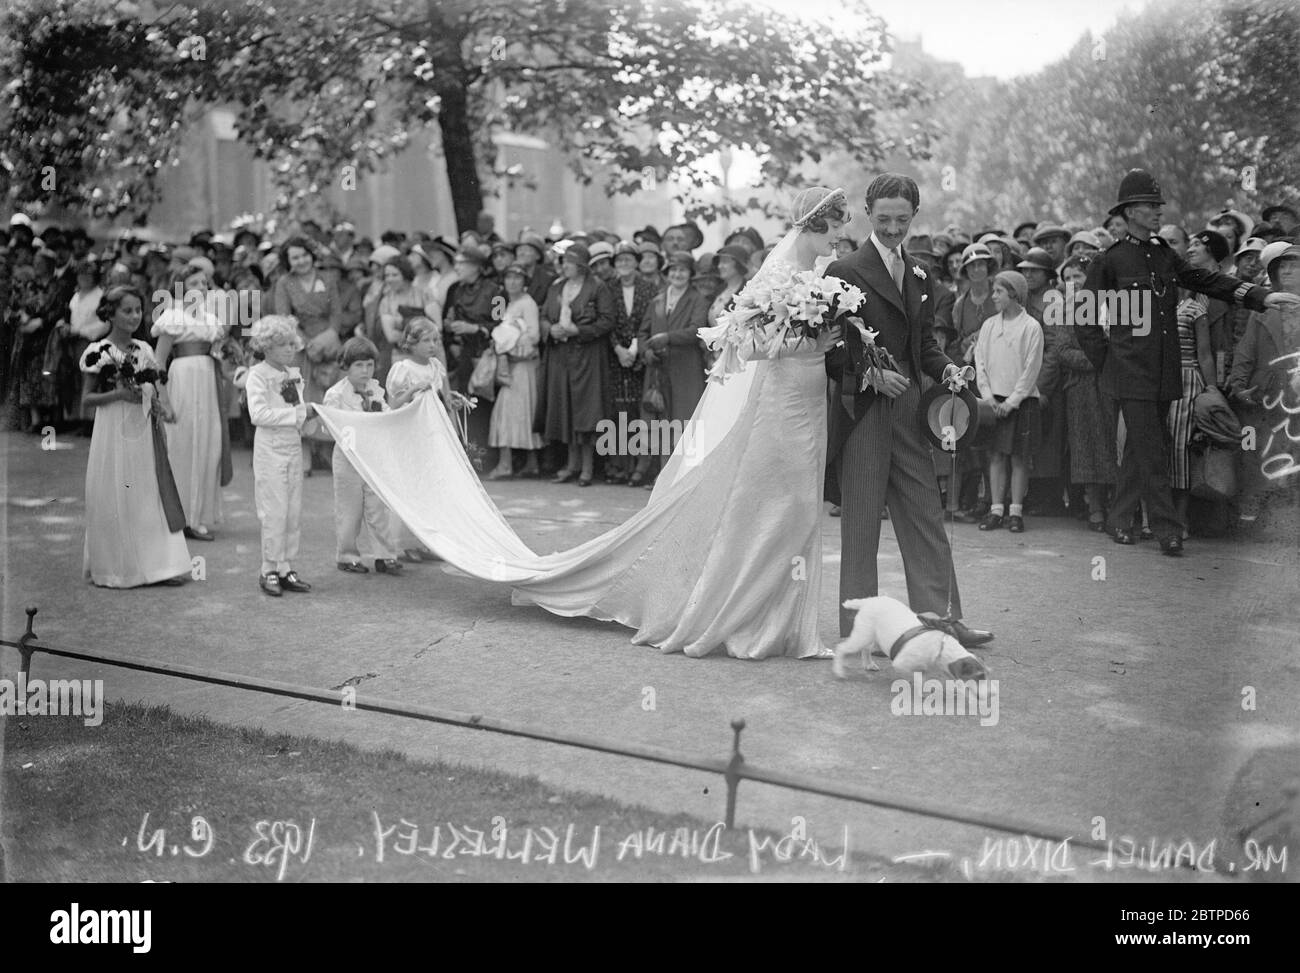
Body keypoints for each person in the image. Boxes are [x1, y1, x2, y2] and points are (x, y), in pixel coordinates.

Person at [315, 187, 870, 660]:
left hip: (804, 402)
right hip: (779, 404)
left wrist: (825, 338)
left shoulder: (819, 276)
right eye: (837, 231)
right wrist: (809, 340)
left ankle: (785, 625)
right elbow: (744, 343)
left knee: (798, 507)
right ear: (817, 225)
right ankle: (746, 620)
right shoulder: (780, 274)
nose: (841, 242)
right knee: (773, 506)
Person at [1075, 168, 1298, 555]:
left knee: (1140, 448)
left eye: (1159, 205)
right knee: (1154, 448)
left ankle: (1119, 518)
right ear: (1129, 211)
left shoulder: (1163, 255)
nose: (1159, 211)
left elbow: (1207, 281)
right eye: (1150, 205)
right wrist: (1108, 363)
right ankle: (1167, 528)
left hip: (1164, 372)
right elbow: (1084, 318)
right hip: (1129, 373)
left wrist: (1260, 296)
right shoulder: (1110, 260)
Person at [824, 174, 993, 647]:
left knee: (926, 515)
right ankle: (860, 630)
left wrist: (950, 373)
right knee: (860, 525)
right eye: (884, 219)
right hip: (863, 412)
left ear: (914, 215)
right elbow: (830, 350)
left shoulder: (920, 273)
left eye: (902, 219)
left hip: (913, 408)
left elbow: (923, 346)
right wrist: (869, 374)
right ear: (868, 214)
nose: (894, 228)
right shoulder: (843, 270)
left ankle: (943, 619)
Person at [79, 286, 191, 588]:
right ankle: (119, 568)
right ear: (110, 313)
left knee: (148, 493)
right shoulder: (97, 352)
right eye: (126, 310)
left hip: (142, 429)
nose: (134, 316)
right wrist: (118, 394)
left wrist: (160, 407)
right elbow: (86, 400)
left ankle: (158, 566)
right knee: (117, 492)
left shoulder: (144, 348)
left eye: (138, 310)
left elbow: (153, 387)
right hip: (113, 431)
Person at [152, 261, 230, 541]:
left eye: (205, 284)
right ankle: (178, 514)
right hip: (183, 380)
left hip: (207, 382)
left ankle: (198, 516)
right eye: (194, 284)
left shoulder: (210, 320)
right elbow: (158, 361)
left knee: (208, 443)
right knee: (182, 444)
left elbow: (218, 352)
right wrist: (164, 399)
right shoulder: (172, 316)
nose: (201, 289)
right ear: (181, 287)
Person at [245, 315, 317, 597]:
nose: (290, 349)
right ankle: (268, 568)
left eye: (292, 343)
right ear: (266, 347)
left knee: (292, 509)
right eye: (282, 345)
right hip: (269, 447)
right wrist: (299, 413)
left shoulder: (293, 374)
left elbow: (300, 411)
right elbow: (258, 414)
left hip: (292, 444)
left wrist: (309, 418)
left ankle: (286, 565)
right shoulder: (258, 374)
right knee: (274, 509)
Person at [1228, 244, 1300, 523]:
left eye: (1295, 265)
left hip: (1296, 396)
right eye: (1283, 266)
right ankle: (1251, 512)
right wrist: (1238, 385)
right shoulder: (1264, 309)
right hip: (1265, 392)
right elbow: (1245, 352)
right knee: (1254, 451)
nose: (1289, 270)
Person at [323, 337, 403, 575]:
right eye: (359, 365)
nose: (365, 371)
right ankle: (347, 555)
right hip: (348, 458)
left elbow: (386, 415)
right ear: (346, 366)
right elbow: (330, 426)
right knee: (350, 510)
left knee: (379, 508)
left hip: (372, 457)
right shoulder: (336, 394)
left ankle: (385, 555)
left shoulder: (375, 391)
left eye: (369, 365)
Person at [540, 243, 615, 486]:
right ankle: (570, 464)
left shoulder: (597, 287)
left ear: (581, 265)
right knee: (565, 408)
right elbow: (543, 315)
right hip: (561, 356)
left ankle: (587, 467)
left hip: (587, 356)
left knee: (585, 409)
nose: (564, 266)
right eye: (563, 262)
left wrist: (578, 331)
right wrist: (550, 329)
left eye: (569, 262)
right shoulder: (557, 287)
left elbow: (607, 321)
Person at [974, 271, 1044, 533]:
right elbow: (980, 362)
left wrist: (1012, 401)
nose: (993, 296)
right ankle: (996, 510)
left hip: (1021, 401)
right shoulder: (990, 325)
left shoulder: (1031, 327)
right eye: (993, 291)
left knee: (1018, 457)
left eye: (998, 292)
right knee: (995, 455)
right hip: (994, 401)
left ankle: (1015, 511)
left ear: (1014, 294)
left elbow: (1031, 369)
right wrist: (990, 398)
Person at [634, 250, 708, 487]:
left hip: (685, 369)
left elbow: (697, 329)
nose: (677, 274)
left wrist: (667, 337)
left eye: (683, 270)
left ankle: (682, 477)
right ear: (667, 273)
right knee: (660, 421)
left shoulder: (698, 299)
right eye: (673, 269)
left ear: (690, 274)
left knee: (684, 420)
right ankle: (664, 474)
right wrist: (646, 351)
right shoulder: (657, 299)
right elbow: (643, 331)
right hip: (658, 369)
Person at [1055, 255, 1116, 531]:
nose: (1072, 284)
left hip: (1114, 385)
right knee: (1087, 446)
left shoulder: (1113, 305)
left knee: (1115, 443)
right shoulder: (1067, 312)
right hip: (1081, 388)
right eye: (1066, 279)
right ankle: (1095, 507)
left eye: (1077, 277)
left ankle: (1120, 505)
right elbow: (1062, 350)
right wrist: (1096, 361)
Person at [273, 236, 344, 471]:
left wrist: (328, 338)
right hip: (299, 347)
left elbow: (336, 313)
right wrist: (306, 343)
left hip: (329, 343)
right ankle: (304, 458)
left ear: (312, 255)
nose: (301, 261)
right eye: (295, 257)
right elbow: (284, 316)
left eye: (304, 255)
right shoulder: (284, 283)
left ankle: (330, 455)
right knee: (301, 399)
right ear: (288, 261)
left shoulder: (328, 278)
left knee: (331, 397)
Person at [603, 242, 656, 484]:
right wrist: (618, 349)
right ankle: (619, 465)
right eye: (619, 260)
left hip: (638, 357)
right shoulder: (608, 288)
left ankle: (640, 465)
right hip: (615, 357)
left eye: (628, 259)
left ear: (636, 262)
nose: (624, 264)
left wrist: (634, 348)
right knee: (617, 410)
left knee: (638, 410)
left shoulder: (649, 288)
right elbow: (608, 322)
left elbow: (648, 321)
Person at [486, 264, 544, 480]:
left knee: (515, 408)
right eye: (508, 278)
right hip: (507, 362)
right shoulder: (502, 301)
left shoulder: (528, 303)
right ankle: (529, 462)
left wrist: (511, 347)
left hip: (521, 363)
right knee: (515, 409)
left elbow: (533, 336)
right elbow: (496, 326)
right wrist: (497, 343)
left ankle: (507, 463)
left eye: (517, 278)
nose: (512, 282)